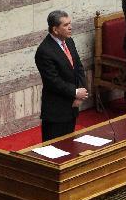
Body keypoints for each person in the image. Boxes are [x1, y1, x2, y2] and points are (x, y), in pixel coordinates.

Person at [35, 10, 88, 140]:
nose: (70, 27)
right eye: (65, 25)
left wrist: (80, 95)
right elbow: (53, 82)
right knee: (54, 150)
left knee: (70, 145)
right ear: (55, 29)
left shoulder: (69, 42)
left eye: (70, 23)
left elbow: (79, 68)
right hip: (56, 110)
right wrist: (75, 92)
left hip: (73, 106)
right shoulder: (44, 51)